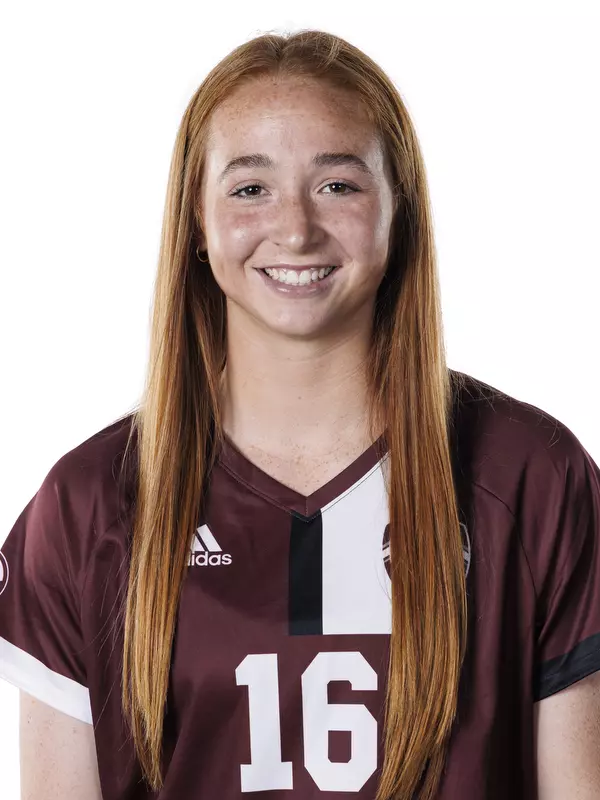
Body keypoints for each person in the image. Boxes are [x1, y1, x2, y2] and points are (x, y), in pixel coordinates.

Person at [1, 27, 600, 800]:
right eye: (250, 188)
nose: (294, 229)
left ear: (399, 209)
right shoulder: (90, 504)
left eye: (338, 185)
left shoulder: (529, 478)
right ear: (196, 219)